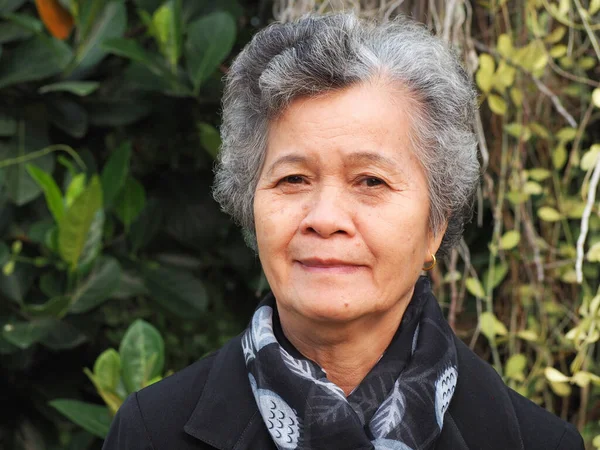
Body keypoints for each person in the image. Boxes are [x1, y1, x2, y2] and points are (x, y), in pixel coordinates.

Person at [102, 12, 584, 450]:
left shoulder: (536, 442)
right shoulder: (153, 431)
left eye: (370, 181)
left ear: (435, 224)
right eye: (293, 179)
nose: (325, 217)